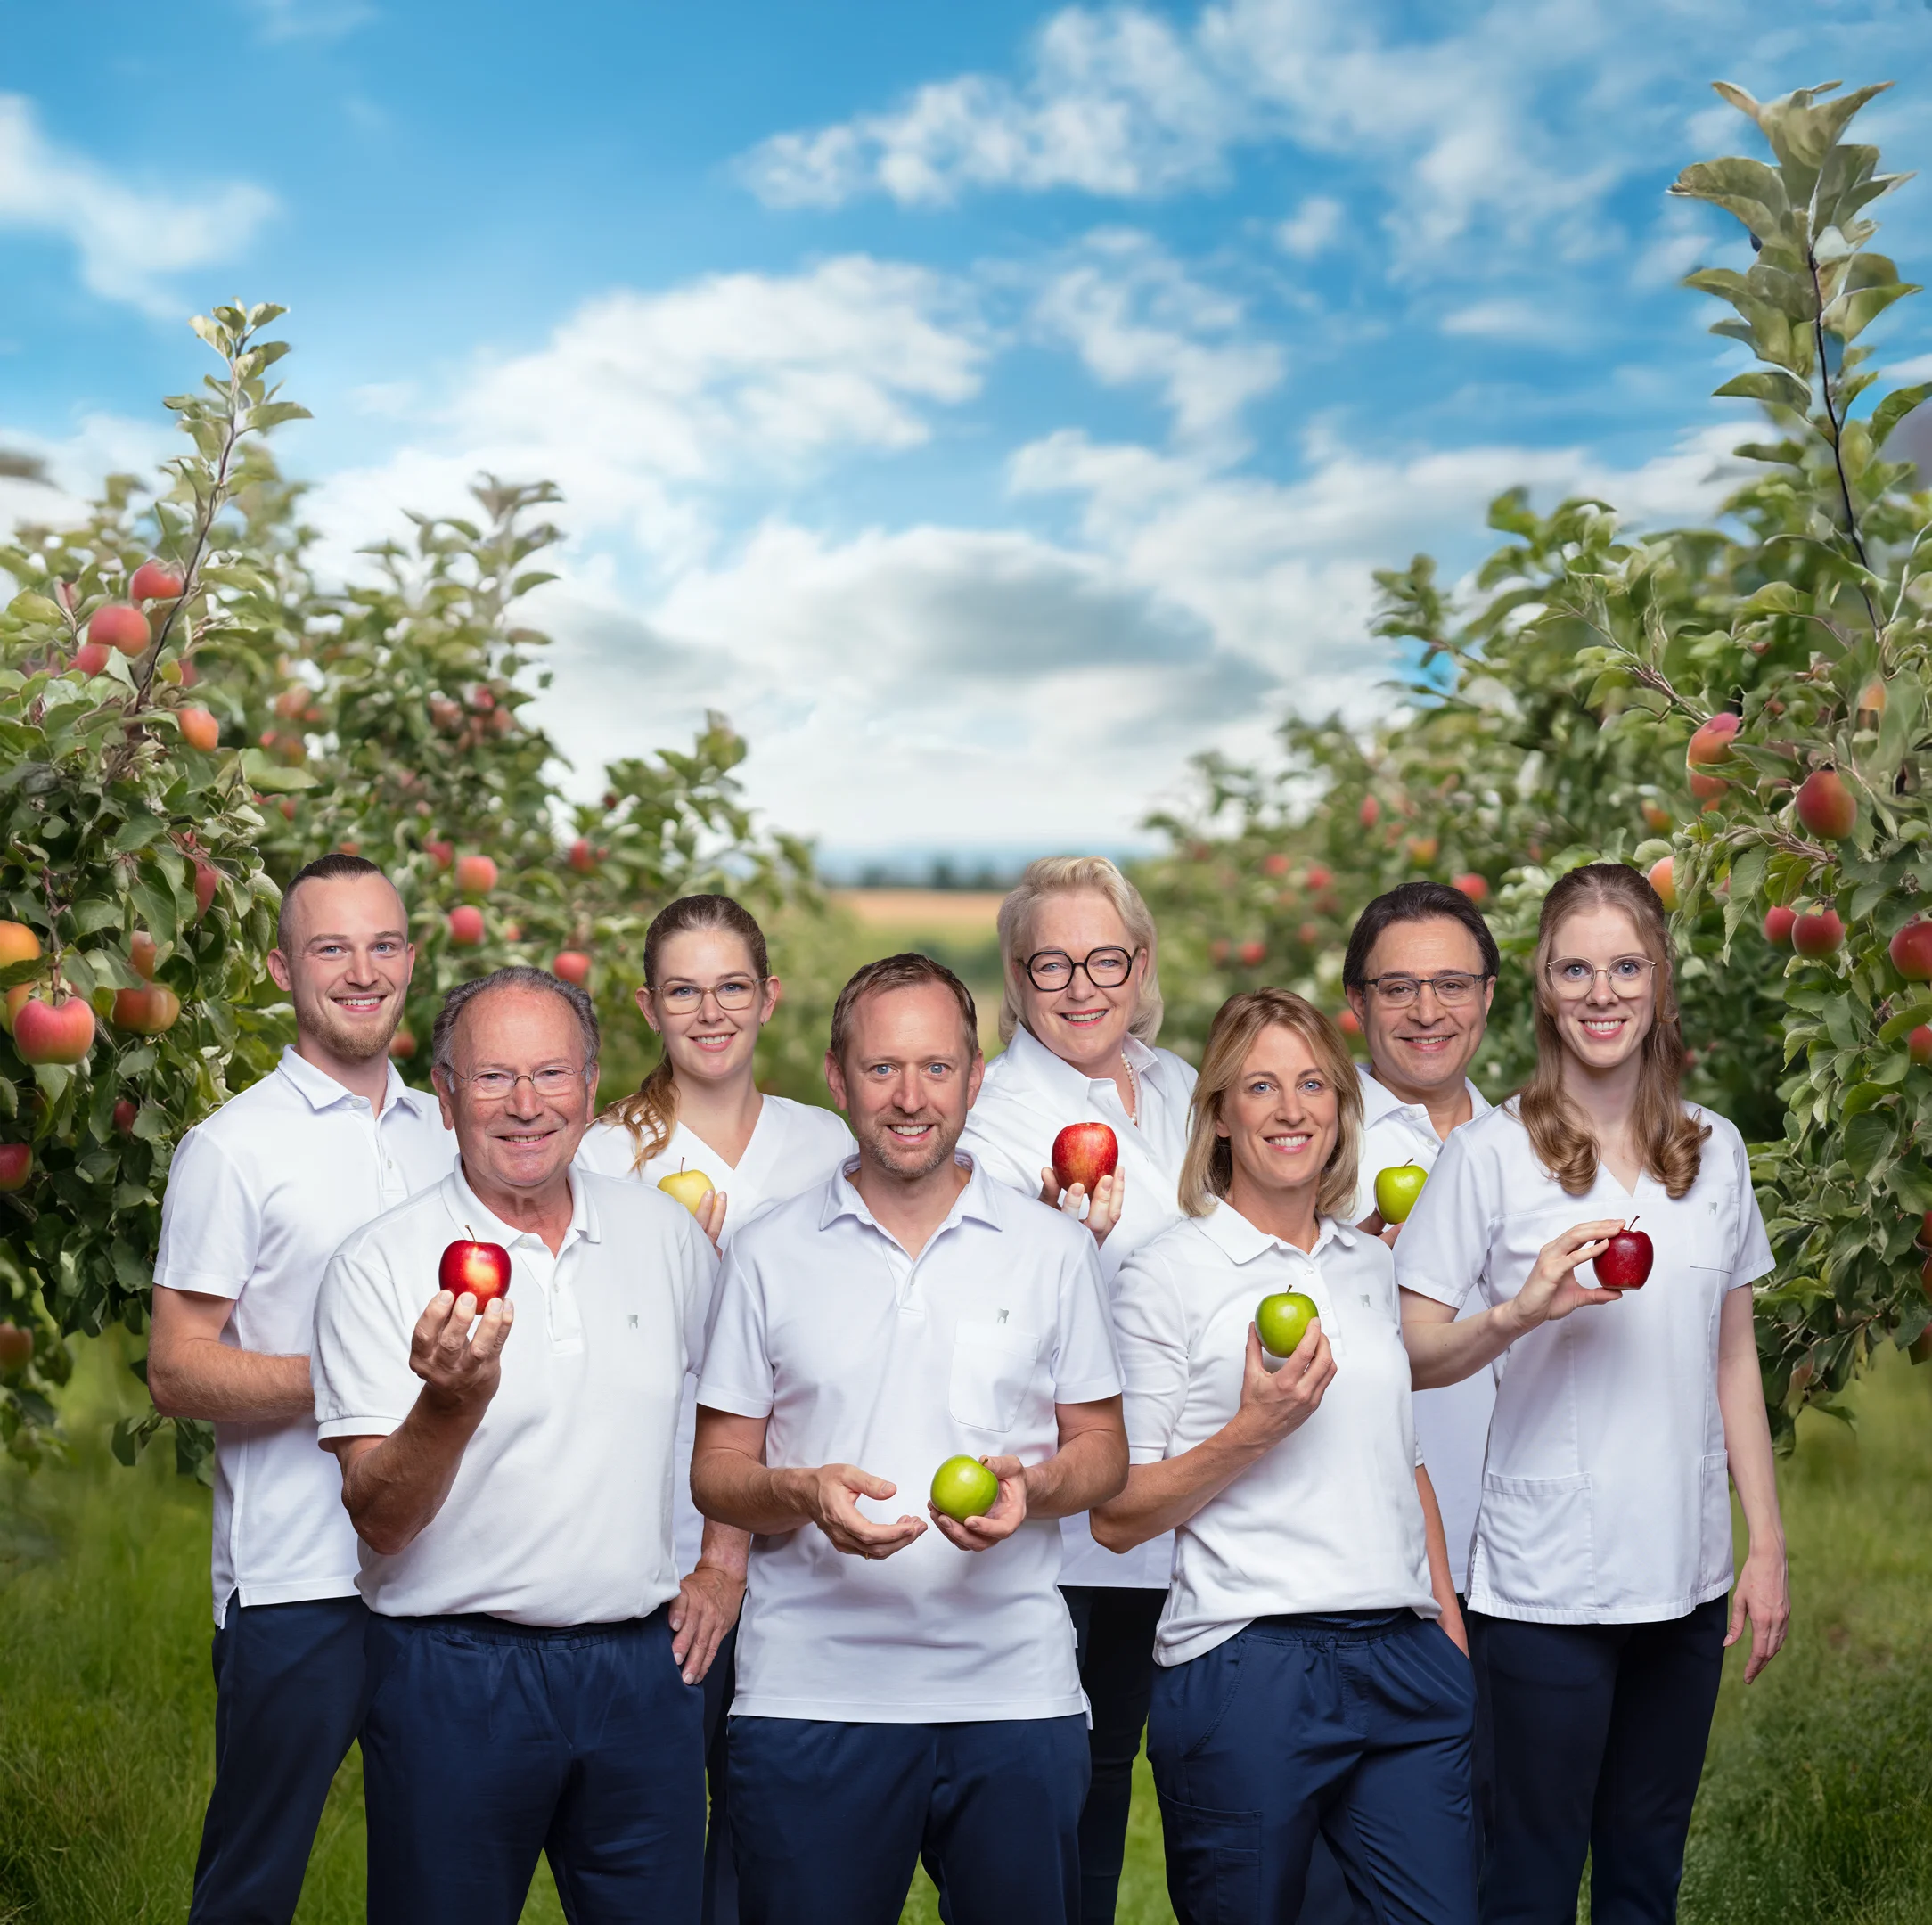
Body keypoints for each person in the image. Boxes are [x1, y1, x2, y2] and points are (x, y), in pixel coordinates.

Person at [692, 953, 1129, 1925]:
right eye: (882, 1068)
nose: (908, 1097)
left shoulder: (1051, 1248)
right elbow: (718, 1475)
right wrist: (803, 1494)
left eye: (936, 1068)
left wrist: (1038, 1487)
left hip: (1014, 1696)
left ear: (975, 1079)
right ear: (837, 1077)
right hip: (810, 1695)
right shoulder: (768, 1251)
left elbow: (1101, 1448)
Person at [1394, 863, 1789, 1924]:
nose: (1600, 993)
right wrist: (1518, 1313)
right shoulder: (1487, 1157)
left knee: (1643, 1867)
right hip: (1544, 1584)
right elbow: (1410, 1352)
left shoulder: (1713, 1154)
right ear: (1542, 987)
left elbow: (1731, 1359)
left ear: (1659, 984)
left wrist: (1765, 1544)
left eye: (1624, 967)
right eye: (1575, 969)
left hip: (1688, 1567)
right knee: (1525, 1875)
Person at [310, 967, 722, 1925]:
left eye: (551, 1075)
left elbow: (734, 1411)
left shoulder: (665, 1239)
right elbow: (379, 1519)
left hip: (640, 1672)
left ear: (590, 1083)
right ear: (445, 1097)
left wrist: (725, 1562)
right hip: (452, 1676)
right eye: (493, 1080)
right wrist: (447, 1407)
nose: (527, 1107)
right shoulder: (377, 1265)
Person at [1092, 987, 1476, 1924]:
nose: (1290, 1108)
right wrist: (1250, 1431)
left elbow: (1402, 1462)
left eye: (1311, 1084)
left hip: (1400, 1654)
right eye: (1259, 1086)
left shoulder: (1368, 1265)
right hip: (1246, 1662)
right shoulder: (1164, 1276)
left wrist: (1447, 1642)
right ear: (1220, 1113)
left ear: (1340, 1109)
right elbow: (1116, 1515)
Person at [149, 852, 454, 1925]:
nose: (360, 971)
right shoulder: (232, 1149)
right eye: (331, 947)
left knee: (438, 1877)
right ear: (283, 969)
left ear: (411, 961)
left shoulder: (451, 1138)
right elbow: (177, 1370)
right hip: (295, 1585)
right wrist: (361, 1376)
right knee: (252, 1880)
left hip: (442, 1578)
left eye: (382, 945)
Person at [577, 893, 854, 1923]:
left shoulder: (826, 1146)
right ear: (648, 1005)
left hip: (806, 1531)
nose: (709, 1011)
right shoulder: (608, 1158)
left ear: (769, 996)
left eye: (731, 986)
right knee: (652, 1820)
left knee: (774, 1819)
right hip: (662, 1535)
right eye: (683, 991)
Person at [958, 855, 1195, 1925]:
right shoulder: (997, 1118)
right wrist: (1052, 1245)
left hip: (1193, 1480)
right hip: (1069, 1498)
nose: (1081, 984)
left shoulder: (1186, 1089)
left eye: (1104, 957)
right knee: (1074, 1774)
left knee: (1175, 1764)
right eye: (1050, 963)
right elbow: (976, 1305)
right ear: (1015, 977)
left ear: (1138, 962)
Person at [1344, 881, 1502, 1603]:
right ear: (1358, 1002)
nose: (1428, 1011)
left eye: (1452, 985)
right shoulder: (1310, 1144)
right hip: (1376, 1555)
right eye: (1399, 987)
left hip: (1521, 1546)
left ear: (1488, 996)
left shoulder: (1530, 1147)